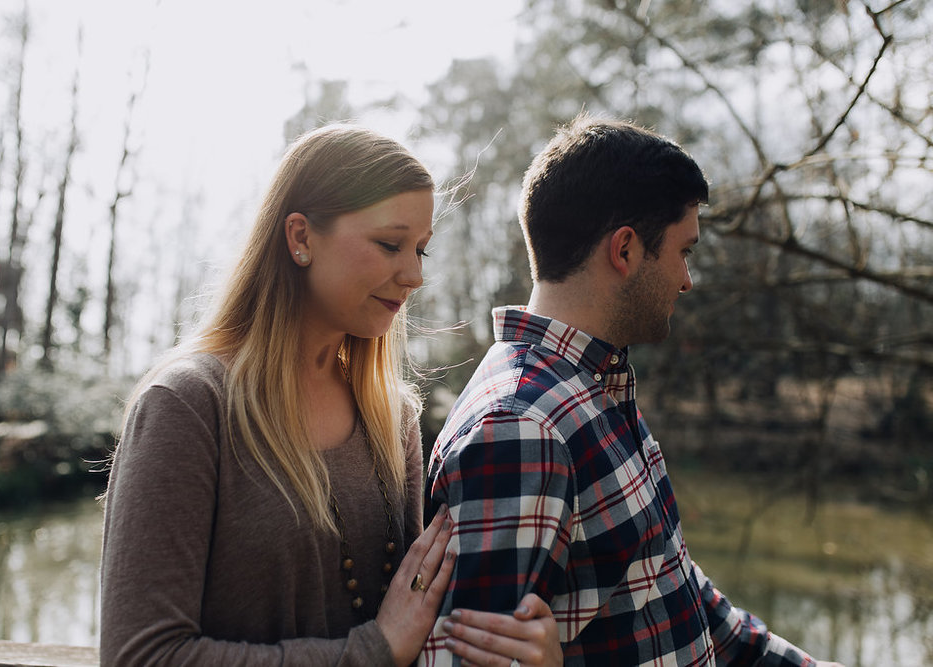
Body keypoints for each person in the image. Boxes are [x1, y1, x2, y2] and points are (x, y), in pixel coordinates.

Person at [99, 124, 559, 666]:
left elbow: (413, 621)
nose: (413, 275)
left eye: (420, 251)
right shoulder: (187, 406)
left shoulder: (391, 419)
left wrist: (523, 652)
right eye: (390, 244)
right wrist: (372, 651)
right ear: (300, 238)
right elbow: (142, 656)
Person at [421, 115, 846, 666]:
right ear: (624, 250)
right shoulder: (523, 427)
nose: (687, 280)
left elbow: (686, 601)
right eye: (683, 252)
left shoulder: (597, 389)